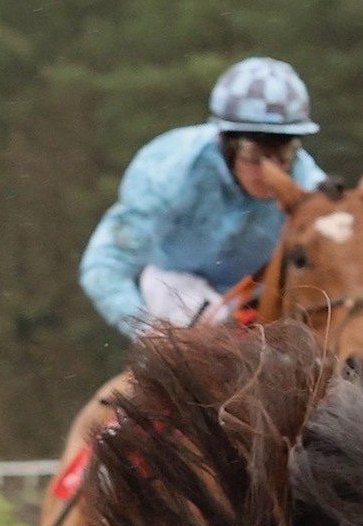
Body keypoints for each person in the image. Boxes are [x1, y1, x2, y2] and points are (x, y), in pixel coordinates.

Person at [79, 57, 327, 335]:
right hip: (176, 289)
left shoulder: (310, 186)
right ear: (226, 143)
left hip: (263, 295)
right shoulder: (168, 171)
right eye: (254, 154)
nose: (271, 171)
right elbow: (104, 267)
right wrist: (149, 335)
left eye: (284, 154)